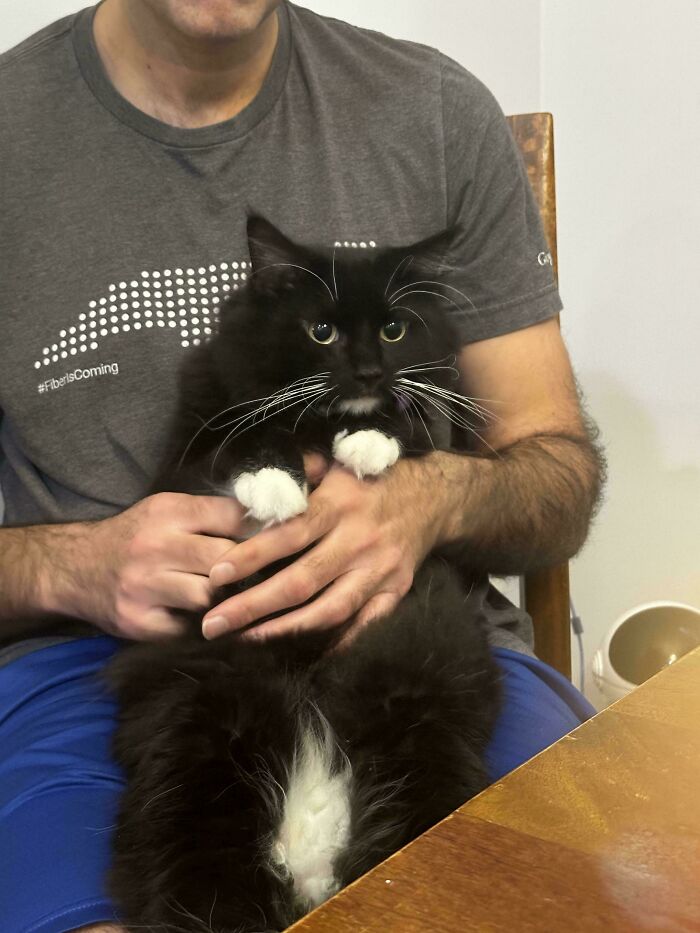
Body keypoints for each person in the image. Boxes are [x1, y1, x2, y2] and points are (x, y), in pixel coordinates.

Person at [0, 2, 603, 930]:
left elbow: (559, 475)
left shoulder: (433, 110)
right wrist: (66, 563)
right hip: (114, 675)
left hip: (422, 646)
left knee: (541, 902)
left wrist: (429, 500)